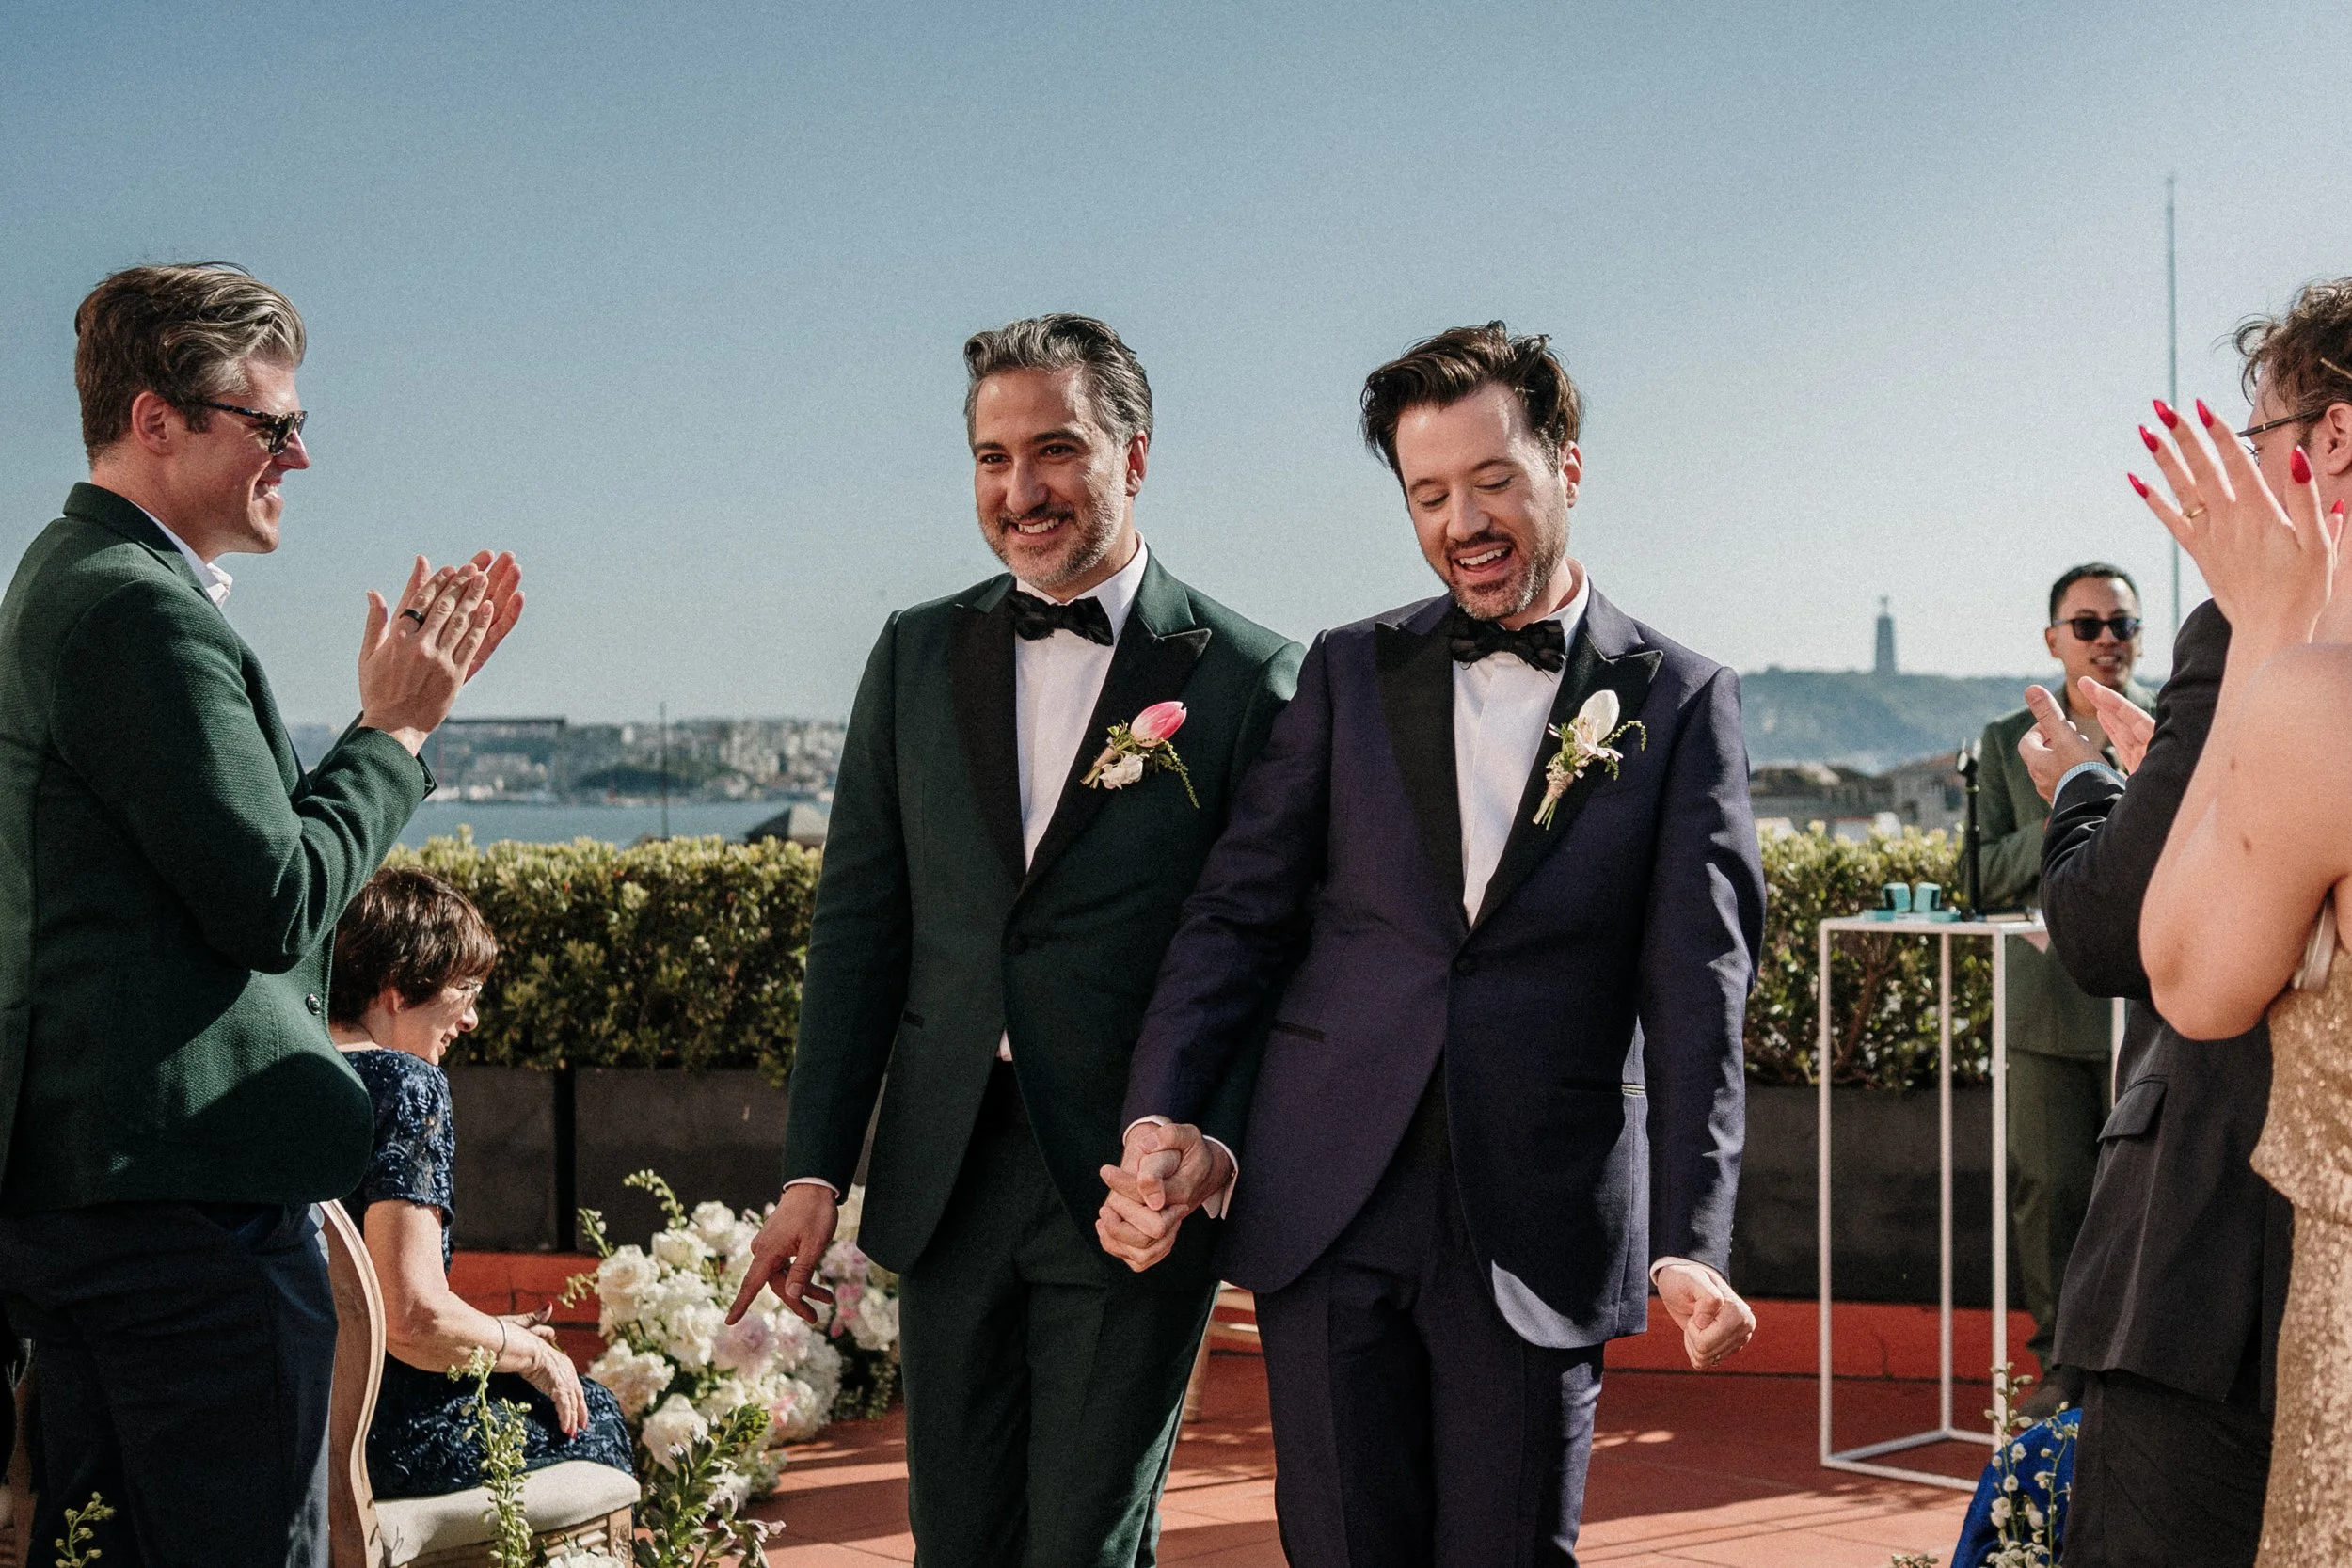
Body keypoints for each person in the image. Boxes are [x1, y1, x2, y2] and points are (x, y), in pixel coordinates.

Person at [1103, 324, 1762, 1565]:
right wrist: (1159, 1117)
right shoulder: (1351, 669)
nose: (1464, 518)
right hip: (1327, 1196)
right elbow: (1237, 915)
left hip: (1538, 1216)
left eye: (1495, 478)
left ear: (1570, 467)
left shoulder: (1682, 701)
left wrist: (1693, 1235)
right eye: (1429, 492)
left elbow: (1698, 991)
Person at [725, 315, 1302, 1566]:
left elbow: (1277, 955)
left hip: (1127, 1179)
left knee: (1082, 1541)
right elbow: (860, 923)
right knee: (962, 1540)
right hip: (948, 1174)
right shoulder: (916, 651)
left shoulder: (1251, 677)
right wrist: (814, 1168)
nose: (1020, 490)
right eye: (991, 457)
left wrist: (1212, 1147)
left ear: (1134, 457)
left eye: (1055, 449)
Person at [0, 263, 522, 1566]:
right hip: (184, 1227)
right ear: (155, 418)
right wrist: (397, 729)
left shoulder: (73, 578)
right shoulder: (137, 612)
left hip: (106, 1205)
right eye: (272, 423)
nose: (300, 451)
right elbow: (277, 894)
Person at [2020, 281, 2352, 1565]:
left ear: (2324, 444)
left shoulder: (2279, 660)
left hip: (2218, 1260)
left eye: (2257, 427)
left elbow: (2137, 945)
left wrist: (2091, 792)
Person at [2127, 284, 2352, 1567]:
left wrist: (2268, 619)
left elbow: (2189, 974)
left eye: (2257, 438)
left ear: (2324, 449)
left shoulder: (2319, 700)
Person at [329, 866, 633, 1497]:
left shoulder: (296, 1073)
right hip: (385, 1438)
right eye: (462, 986)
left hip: (299, 1420)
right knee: (595, 1413)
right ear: (397, 987)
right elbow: (411, 1318)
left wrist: (493, 1331)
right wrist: (535, 1354)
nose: (470, 1018)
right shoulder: (405, 1087)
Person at [1978, 563, 2156, 1418]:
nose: (2107, 639)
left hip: (2155, 1014)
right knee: (2050, 1192)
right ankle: (2057, 1364)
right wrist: (2072, 806)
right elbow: (1979, 872)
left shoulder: (2173, 725)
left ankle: (2134, 1371)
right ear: (2053, 638)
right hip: (2047, 1010)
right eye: (2086, 625)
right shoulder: (2007, 736)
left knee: (2151, 1199)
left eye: (2121, 623)